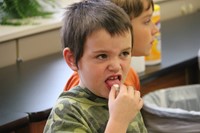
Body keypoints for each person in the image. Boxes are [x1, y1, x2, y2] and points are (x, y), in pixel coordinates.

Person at [44, 0, 147, 132]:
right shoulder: (67, 113)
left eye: (124, 53)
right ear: (72, 59)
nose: (116, 66)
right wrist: (118, 121)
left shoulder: (125, 102)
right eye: (102, 56)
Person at [64, 0, 158, 92]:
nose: (155, 30)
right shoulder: (80, 86)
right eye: (147, 21)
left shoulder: (130, 75)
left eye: (124, 53)